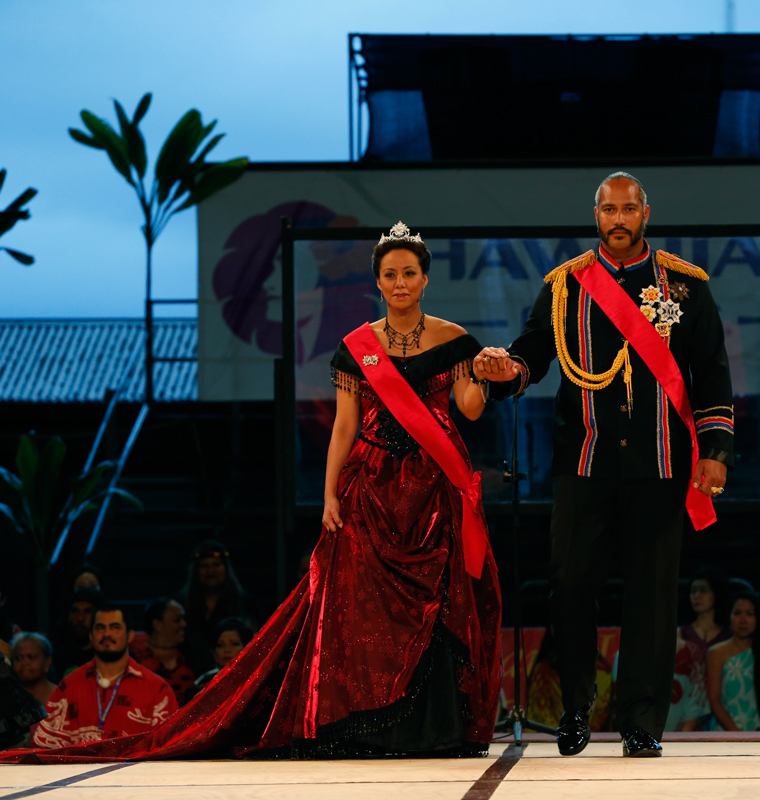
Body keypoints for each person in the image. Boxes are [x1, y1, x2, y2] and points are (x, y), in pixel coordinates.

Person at [0, 221, 502, 764]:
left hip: (434, 488)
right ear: (377, 282)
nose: (400, 282)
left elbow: (470, 409)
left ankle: (436, 730)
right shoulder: (357, 347)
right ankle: (370, 728)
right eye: (390, 274)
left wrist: (484, 374)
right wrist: (331, 494)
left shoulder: (454, 339)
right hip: (372, 487)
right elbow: (343, 427)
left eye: (409, 273)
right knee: (362, 615)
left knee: (438, 606)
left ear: (425, 278)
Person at [477, 171, 734, 758]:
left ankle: (642, 722)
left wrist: (715, 452)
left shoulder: (688, 287)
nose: (619, 220)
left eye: (629, 209)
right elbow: (533, 354)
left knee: (650, 594)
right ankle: (574, 708)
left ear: (647, 213)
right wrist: (506, 369)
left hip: (662, 461)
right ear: (596, 216)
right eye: (608, 210)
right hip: (584, 459)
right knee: (569, 583)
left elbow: (713, 374)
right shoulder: (565, 286)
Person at [30, 604, 178, 748]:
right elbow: (45, 747)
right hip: (78, 772)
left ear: (130, 635)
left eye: (115, 627)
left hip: (137, 772)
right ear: (91, 636)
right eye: (100, 628)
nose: (107, 634)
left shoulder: (157, 690)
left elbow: (169, 749)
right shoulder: (68, 687)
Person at [706, 593, 760, 732]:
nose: (743, 620)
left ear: (759, 618)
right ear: (729, 616)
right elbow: (714, 700)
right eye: (737, 613)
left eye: (749, 614)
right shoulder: (716, 653)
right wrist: (737, 736)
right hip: (726, 735)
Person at [177, 541, 261, 673]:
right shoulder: (180, 605)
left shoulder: (246, 603)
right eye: (204, 566)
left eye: (216, 564)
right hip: (190, 675)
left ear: (226, 568)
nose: (210, 570)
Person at [129, 598, 195, 706]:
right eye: (177, 620)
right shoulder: (135, 660)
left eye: (183, 619)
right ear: (157, 625)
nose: (184, 624)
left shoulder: (194, 654)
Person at [189, 618, 252, 699]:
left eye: (234, 644)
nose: (227, 650)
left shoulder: (255, 680)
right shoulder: (203, 682)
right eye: (220, 645)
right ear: (214, 653)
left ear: (247, 648)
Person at [679, 566, 731, 656]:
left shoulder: (729, 634)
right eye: (693, 591)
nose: (697, 596)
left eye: (703, 591)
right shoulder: (680, 634)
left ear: (716, 594)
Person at [51, 587, 103, 677]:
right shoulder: (56, 658)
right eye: (75, 611)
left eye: (87, 611)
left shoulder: (109, 655)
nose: (80, 618)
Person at [11, 632, 55, 705]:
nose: (24, 663)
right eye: (18, 658)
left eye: (31, 657)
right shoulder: (6, 699)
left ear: (47, 662)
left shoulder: (62, 695)